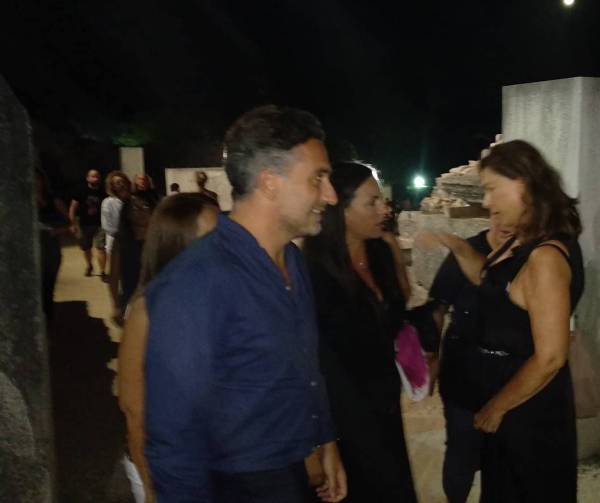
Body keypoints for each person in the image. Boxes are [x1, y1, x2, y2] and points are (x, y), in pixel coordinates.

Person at [144, 105, 346, 502]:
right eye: (318, 178)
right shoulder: (196, 281)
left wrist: (326, 442)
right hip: (237, 485)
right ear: (269, 183)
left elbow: (307, 369)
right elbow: (172, 432)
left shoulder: (292, 261)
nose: (331, 195)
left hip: (293, 469)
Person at [415, 140, 584, 502]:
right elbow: (489, 279)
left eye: (492, 189)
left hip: (528, 412)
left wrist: (496, 407)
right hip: (509, 403)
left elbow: (551, 357)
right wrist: (454, 244)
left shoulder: (545, 259)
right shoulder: (521, 242)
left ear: (523, 182)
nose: (488, 202)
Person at [303, 161, 416, 503]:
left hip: (385, 401)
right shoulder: (314, 272)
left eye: (382, 200)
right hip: (345, 413)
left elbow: (399, 309)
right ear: (342, 211)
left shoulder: (380, 252)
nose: (384, 209)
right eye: (372, 202)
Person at [119, 192, 219, 503]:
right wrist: (151, 488)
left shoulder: (218, 297)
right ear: (179, 245)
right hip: (166, 467)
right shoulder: (146, 310)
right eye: (212, 238)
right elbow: (134, 410)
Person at [428, 216, 511, 503]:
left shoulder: (529, 254)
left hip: (509, 379)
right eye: (498, 213)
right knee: (461, 452)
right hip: (463, 374)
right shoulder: (467, 250)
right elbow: (437, 308)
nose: (506, 222)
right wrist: (431, 357)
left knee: (501, 459)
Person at [118, 173, 159, 309]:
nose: (142, 182)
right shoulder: (130, 200)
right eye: (139, 180)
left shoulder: (154, 198)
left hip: (150, 243)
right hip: (134, 245)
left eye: (144, 180)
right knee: (132, 279)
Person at [36, 169, 70, 321]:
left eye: (38, 179)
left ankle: (48, 321)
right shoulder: (22, 201)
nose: (35, 182)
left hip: (50, 250)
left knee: (48, 287)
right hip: (30, 252)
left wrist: (54, 231)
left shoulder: (53, 201)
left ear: (43, 181)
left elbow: (68, 224)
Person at [101, 171, 132, 324]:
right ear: (111, 186)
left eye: (122, 181)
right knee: (115, 275)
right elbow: (107, 226)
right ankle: (115, 306)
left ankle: (127, 306)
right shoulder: (108, 202)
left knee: (129, 275)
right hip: (116, 242)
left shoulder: (132, 200)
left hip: (133, 243)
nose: (120, 184)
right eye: (116, 182)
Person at [69, 169, 107, 278]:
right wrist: (72, 224)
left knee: (101, 248)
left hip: (100, 224)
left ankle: (102, 271)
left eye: (97, 176)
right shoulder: (80, 190)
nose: (95, 178)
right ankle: (89, 265)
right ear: (87, 178)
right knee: (86, 248)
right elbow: (73, 208)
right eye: (93, 176)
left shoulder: (104, 192)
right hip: (84, 224)